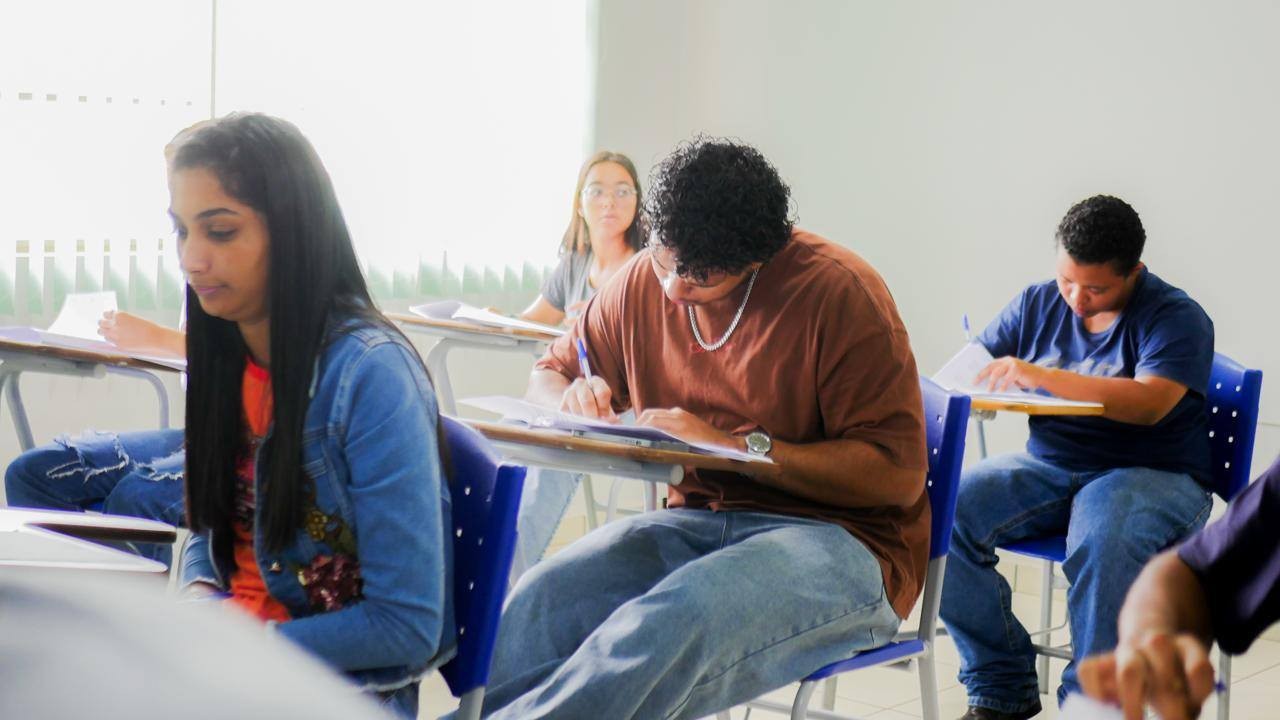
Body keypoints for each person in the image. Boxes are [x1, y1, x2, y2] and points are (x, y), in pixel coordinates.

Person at [464, 137, 929, 719]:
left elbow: (896, 478)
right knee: (542, 599)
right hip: (700, 522)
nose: (673, 289)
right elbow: (549, 372)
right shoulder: (643, 279)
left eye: (700, 278)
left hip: (845, 544)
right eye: (667, 261)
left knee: (668, 622)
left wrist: (736, 449)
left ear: (755, 262)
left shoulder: (840, 294)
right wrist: (572, 398)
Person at [170, 113, 453, 718]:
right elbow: (212, 528)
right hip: (226, 675)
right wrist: (198, 604)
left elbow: (406, 625)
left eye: (220, 232)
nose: (192, 259)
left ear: (292, 231)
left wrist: (243, 650)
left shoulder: (371, 375)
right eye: (181, 230)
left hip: (332, 693)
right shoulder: (223, 351)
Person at [939, 195, 1216, 720]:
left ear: (1134, 272)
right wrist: (966, 390)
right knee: (942, 512)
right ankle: (1001, 687)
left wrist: (1041, 376)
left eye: (1096, 289)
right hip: (1050, 464)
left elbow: (1149, 404)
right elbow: (975, 367)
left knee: (1104, 540)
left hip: (1152, 472)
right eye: (1067, 280)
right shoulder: (1037, 302)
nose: (1076, 298)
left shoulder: (1176, 316)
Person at [509, 151, 644, 577]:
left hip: (620, 404)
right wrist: (494, 316)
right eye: (597, 191)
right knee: (508, 439)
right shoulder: (574, 263)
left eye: (622, 191)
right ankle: (486, 562)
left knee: (556, 450)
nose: (609, 202)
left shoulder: (644, 267)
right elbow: (532, 320)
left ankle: (505, 578)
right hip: (568, 394)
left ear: (637, 202)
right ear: (580, 203)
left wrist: (601, 323)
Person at [1077, 453, 1280, 720]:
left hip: (1149, 473)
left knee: (1109, 542)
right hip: (1060, 461)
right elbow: (1188, 573)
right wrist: (1149, 633)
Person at [3, 311, 186, 565]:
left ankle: (122, 588)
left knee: (135, 496)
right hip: (200, 432)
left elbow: (239, 351)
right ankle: (78, 584)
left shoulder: (237, 289)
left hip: (240, 446)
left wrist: (158, 337)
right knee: (28, 475)